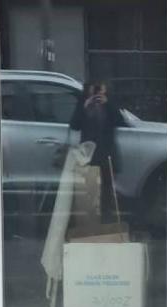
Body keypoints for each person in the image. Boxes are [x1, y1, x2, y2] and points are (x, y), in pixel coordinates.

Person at [69, 81, 125, 223]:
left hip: (106, 152)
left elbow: (120, 121)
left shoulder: (109, 103)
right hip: (89, 153)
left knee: (107, 188)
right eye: (95, 89)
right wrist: (84, 107)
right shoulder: (83, 103)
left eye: (100, 89)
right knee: (89, 189)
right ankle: (90, 219)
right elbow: (74, 125)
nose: (97, 93)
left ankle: (107, 218)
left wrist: (108, 104)